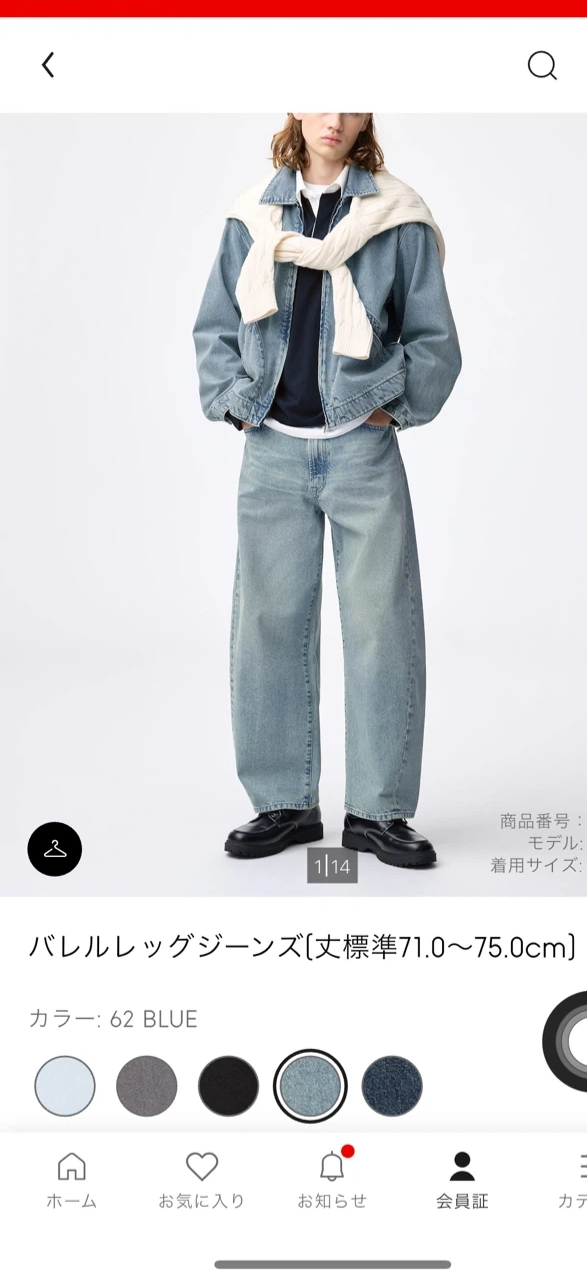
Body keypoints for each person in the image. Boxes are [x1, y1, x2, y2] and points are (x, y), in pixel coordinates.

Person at [193, 113, 461, 867]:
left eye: (348, 102)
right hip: (273, 455)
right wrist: (237, 404)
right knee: (268, 626)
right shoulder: (253, 217)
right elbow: (214, 326)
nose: (333, 119)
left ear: (366, 114)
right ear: (294, 111)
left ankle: (379, 813)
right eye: (318, 100)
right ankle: (283, 803)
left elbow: (435, 339)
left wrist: (390, 404)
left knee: (382, 628)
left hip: (362, 454)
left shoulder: (396, 217)